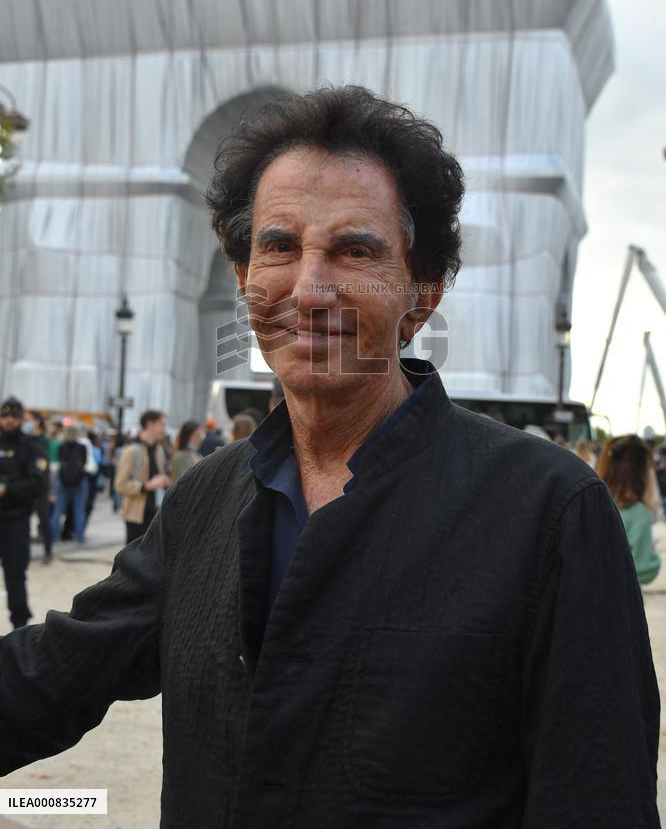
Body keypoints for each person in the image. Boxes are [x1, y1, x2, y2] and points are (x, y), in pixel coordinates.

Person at [0, 87, 659, 827]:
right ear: (245, 278)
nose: (308, 289)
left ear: (424, 293)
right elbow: (57, 672)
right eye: (279, 245)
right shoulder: (204, 500)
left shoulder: (549, 512)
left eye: (354, 250)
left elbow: (600, 796)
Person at [0, 397, 49, 628]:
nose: (9, 420)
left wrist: (8, 488)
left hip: (15, 520)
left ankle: (19, 627)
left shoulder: (31, 447)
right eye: (5, 416)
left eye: (14, 416)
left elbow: (39, 484)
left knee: (15, 575)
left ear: (21, 419)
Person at [598, 435, 661, 585]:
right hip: (618, 601)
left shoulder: (593, 500)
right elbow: (643, 569)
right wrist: (654, 558)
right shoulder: (638, 512)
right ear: (642, 473)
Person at [114, 410, 171, 544]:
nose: (164, 429)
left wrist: (165, 481)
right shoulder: (132, 451)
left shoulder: (159, 450)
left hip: (156, 513)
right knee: (133, 560)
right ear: (150, 424)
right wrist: (145, 486)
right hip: (136, 515)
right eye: (161, 424)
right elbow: (120, 485)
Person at [24, 410, 54, 564]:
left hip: (40, 489)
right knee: (24, 523)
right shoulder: (23, 440)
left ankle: (48, 552)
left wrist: (48, 490)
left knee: (44, 521)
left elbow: (44, 466)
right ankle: (25, 552)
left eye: (28, 419)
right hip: (26, 489)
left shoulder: (41, 440)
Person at [51, 426, 89, 545]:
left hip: (63, 481)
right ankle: (80, 536)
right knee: (79, 510)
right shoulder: (82, 447)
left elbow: (60, 461)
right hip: (79, 481)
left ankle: (55, 536)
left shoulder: (62, 446)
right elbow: (84, 462)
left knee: (58, 510)